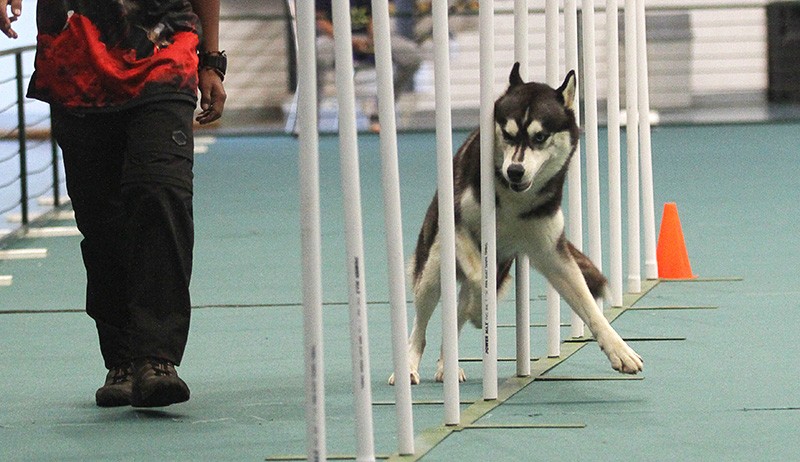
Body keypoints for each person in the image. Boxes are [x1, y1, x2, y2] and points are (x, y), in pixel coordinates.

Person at [1, 0, 226, 408]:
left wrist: (211, 60)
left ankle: (156, 359)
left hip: (165, 55)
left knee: (162, 195)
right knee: (102, 219)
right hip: (77, 66)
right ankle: (122, 359)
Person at [315, 0, 421, 132]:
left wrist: (374, 36)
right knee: (316, 55)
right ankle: (310, 119)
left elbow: (376, 15)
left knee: (412, 56)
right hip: (334, 39)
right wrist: (349, 40)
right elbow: (320, 21)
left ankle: (379, 111)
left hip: (368, 38)